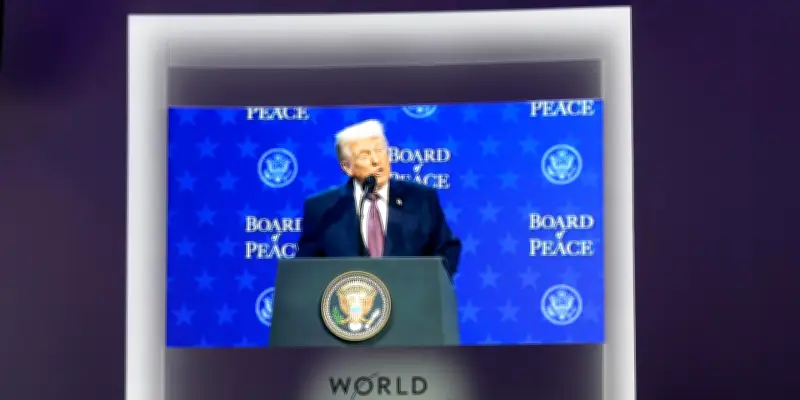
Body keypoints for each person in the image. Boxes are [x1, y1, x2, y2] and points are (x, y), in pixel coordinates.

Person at [296, 119, 461, 277]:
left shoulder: (421, 198)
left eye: (380, 150)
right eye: (364, 155)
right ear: (347, 167)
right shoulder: (323, 208)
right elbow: (306, 267)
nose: (376, 160)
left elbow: (446, 249)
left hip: (410, 294)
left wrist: (428, 285)